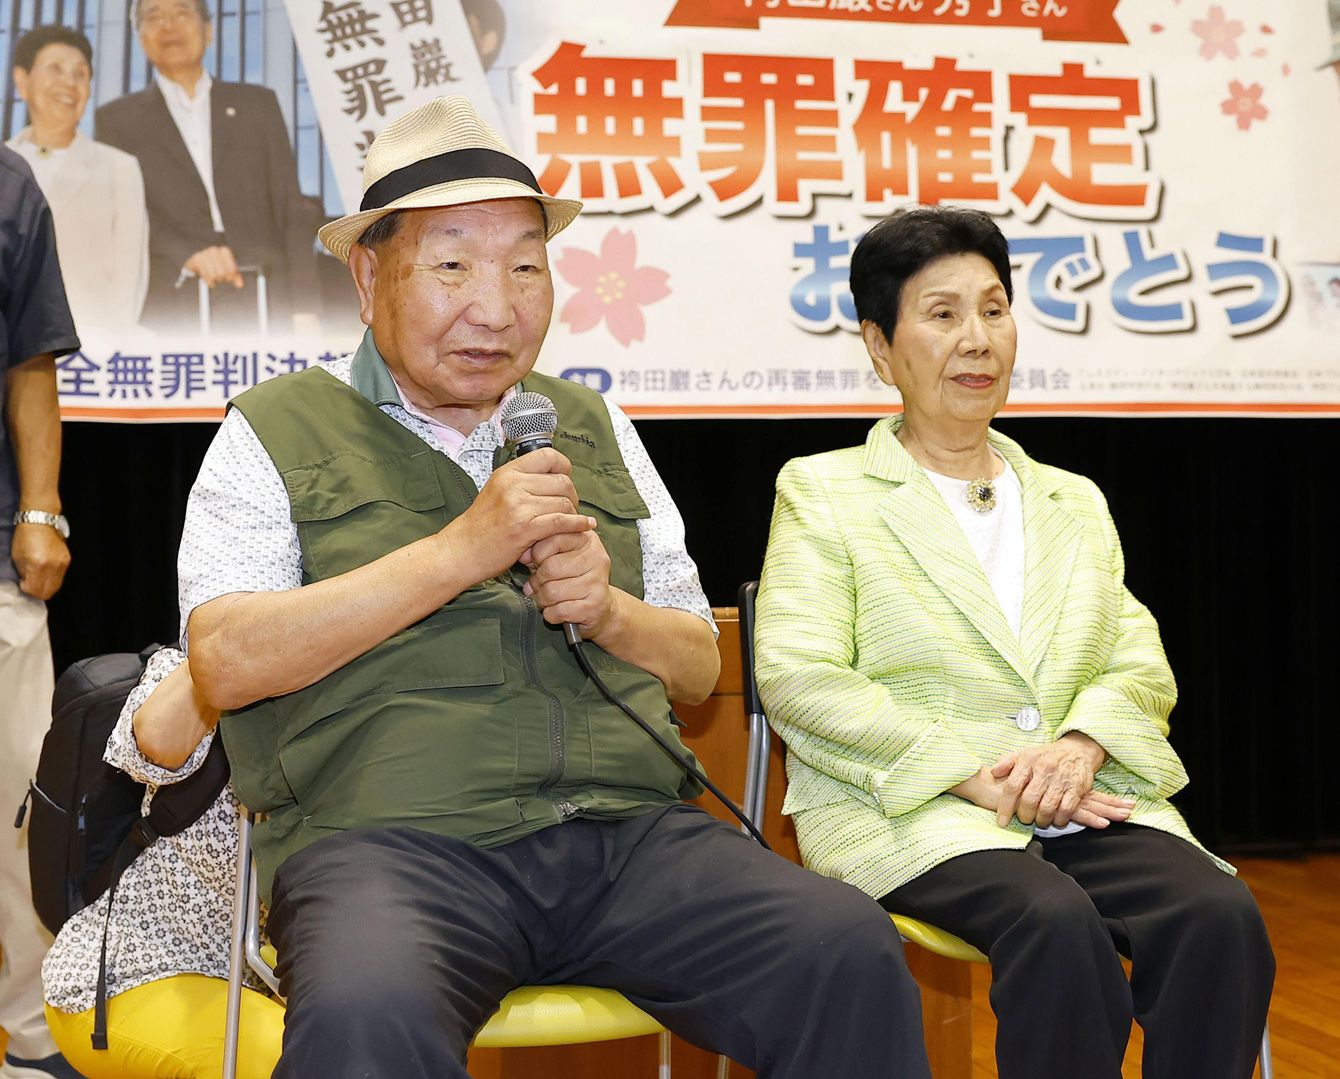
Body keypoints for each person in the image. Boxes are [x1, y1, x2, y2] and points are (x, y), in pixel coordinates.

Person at [175, 95, 930, 1079]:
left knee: (844, 947)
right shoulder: (273, 429)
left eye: (525, 266)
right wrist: (462, 549)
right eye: (452, 265)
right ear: (367, 276)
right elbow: (224, 661)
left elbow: (696, 663)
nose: (496, 308)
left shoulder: (592, 424)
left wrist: (610, 611)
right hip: (391, 848)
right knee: (366, 1013)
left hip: (629, 840)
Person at [754, 207, 1275, 1079]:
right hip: (913, 808)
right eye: (944, 313)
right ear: (880, 347)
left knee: (1218, 913)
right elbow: (799, 676)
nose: (978, 339)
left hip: (1077, 797)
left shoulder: (1074, 498)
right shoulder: (824, 491)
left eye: (994, 309)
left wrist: (1080, 744)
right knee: (1054, 922)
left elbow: (1136, 658)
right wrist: (968, 769)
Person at [42, 649, 284, 1079]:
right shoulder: (184, 670)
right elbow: (154, 743)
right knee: (293, 1058)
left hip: (250, 981)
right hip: (132, 972)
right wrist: (235, 644)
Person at [95, 0, 318, 332]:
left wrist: (305, 309)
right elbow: (125, 214)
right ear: (140, 38)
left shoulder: (257, 105)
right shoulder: (116, 120)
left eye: (181, 13)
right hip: (174, 300)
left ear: (209, 31)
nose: (168, 25)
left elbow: (289, 206)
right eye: (153, 17)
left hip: (265, 294)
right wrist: (186, 252)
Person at [0, 147, 81, 1079]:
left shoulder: (8, 184)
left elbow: (29, 357)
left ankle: (31, 1034)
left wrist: (40, 509)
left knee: (20, 802)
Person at [7, 25, 149, 330]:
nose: (69, 83)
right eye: (55, 69)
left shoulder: (119, 169)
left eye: (80, 74)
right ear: (22, 81)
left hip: (89, 345)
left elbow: (128, 279)